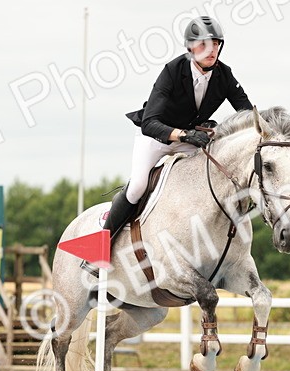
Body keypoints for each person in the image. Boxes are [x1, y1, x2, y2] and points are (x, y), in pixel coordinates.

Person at [109, 16, 254, 247]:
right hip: (156, 138)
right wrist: (184, 135)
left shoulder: (224, 75)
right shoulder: (172, 71)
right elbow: (149, 123)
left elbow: (246, 113)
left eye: (216, 44)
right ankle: (102, 245)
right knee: (137, 186)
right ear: (190, 48)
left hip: (190, 141)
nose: (212, 50)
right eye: (205, 44)